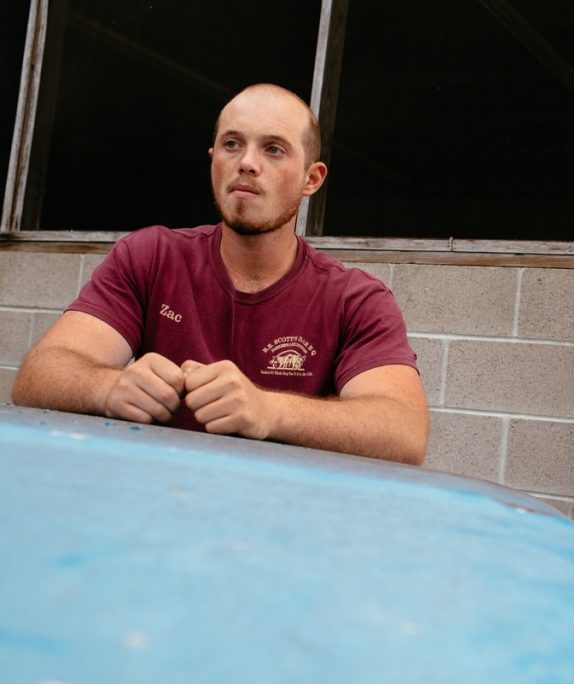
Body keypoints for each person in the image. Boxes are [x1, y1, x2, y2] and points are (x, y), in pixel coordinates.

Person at [12, 83, 429, 465]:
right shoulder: (150, 256)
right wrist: (105, 388)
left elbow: (404, 433)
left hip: (283, 519)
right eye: (232, 144)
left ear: (311, 178)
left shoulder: (355, 298)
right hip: (153, 499)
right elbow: (37, 378)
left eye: (274, 149)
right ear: (213, 160)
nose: (247, 162)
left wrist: (269, 411)